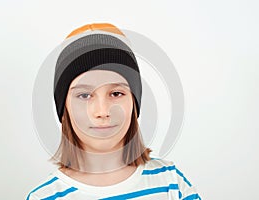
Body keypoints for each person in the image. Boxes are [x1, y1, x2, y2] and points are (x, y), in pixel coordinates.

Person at [26, 23, 201, 200]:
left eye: (116, 93)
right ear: (64, 110)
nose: (102, 111)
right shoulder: (45, 196)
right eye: (85, 95)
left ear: (134, 102)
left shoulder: (172, 183)